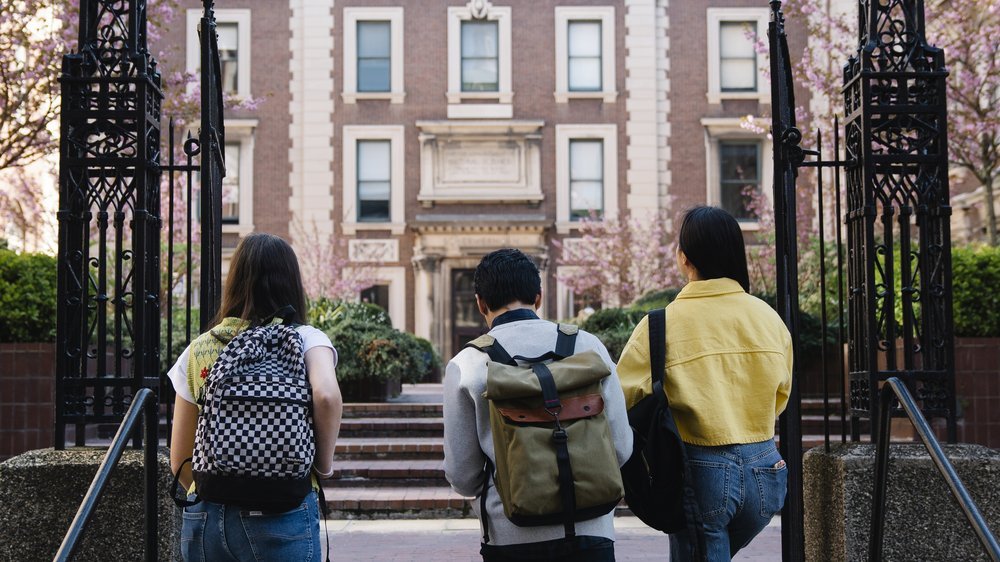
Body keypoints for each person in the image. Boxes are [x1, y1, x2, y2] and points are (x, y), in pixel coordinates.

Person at [616, 206, 793, 562]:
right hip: (767, 468)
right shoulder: (768, 318)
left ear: (684, 258)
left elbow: (619, 399)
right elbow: (781, 394)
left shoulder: (660, 325)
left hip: (702, 470)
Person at [443, 248, 633, 562]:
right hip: (592, 530)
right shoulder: (588, 346)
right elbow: (621, 448)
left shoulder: (467, 364)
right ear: (539, 297)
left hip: (510, 535)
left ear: (480, 303)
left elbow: (463, 476)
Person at [168, 233, 343, 562]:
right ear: (291, 282)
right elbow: (327, 397)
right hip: (281, 510)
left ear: (234, 282)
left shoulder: (199, 349)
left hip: (206, 515)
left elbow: (179, 460)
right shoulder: (305, 339)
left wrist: (225, 484)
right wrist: (322, 465)